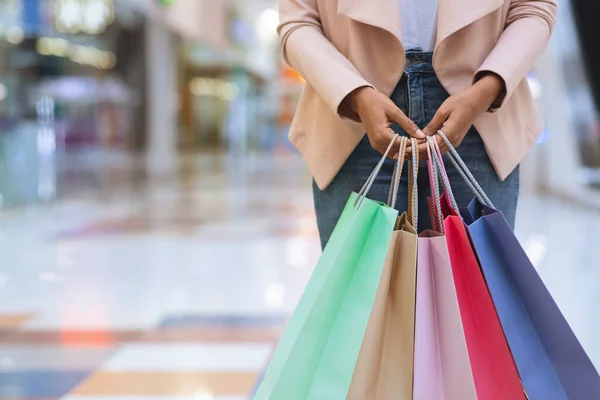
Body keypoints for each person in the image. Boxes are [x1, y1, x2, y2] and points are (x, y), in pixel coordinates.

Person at [277, 0, 557, 248]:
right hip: (352, 116)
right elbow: (298, 20)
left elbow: (533, 7)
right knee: (362, 299)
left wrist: (487, 89)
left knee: (473, 298)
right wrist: (355, 94)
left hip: (481, 113)